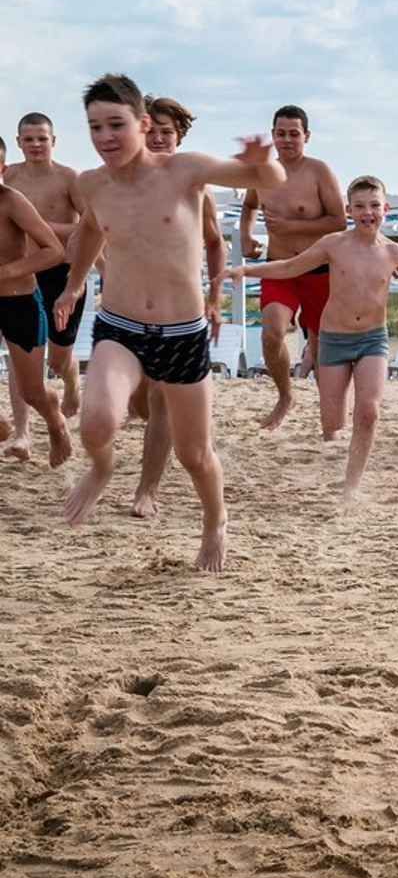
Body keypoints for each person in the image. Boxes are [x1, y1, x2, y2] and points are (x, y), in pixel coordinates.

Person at [53, 73, 285, 572]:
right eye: (95, 127)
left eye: (116, 125)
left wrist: (259, 163)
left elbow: (270, 182)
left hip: (182, 335)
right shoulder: (91, 183)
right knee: (96, 422)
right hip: (121, 327)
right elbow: (93, 228)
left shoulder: (185, 171)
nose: (105, 137)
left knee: (194, 453)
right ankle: (101, 469)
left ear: (140, 123)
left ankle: (215, 522)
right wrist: (75, 285)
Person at [231, 175, 398, 498]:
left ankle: (352, 485)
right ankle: (336, 455)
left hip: (372, 338)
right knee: (333, 424)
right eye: (359, 206)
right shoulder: (334, 244)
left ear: (385, 208)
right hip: (333, 340)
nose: (368, 212)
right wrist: (247, 270)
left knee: (368, 412)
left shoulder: (394, 252)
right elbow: (290, 267)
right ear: (348, 210)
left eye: (374, 206)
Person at [129, 96, 229, 519]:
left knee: (161, 396)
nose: (157, 140)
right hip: (130, 302)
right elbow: (90, 235)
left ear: (179, 137)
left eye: (166, 133)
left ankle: (146, 490)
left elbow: (214, 243)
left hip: (179, 303)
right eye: (150, 132)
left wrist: (214, 298)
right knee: (139, 400)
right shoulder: (117, 181)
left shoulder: (195, 186)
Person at [238, 105, 345, 430]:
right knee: (271, 333)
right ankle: (285, 395)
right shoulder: (263, 173)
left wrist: (289, 226)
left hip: (319, 269)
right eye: (281, 133)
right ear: (273, 136)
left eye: (294, 134)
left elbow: (338, 221)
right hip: (280, 267)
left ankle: (331, 415)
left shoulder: (319, 171)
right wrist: (245, 236)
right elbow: (250, 204)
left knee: (321, 346)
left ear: (306, 137)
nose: (287, 140)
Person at [5, 112, 87, 428]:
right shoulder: (9, 176)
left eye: (42, 138)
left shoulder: (69, 178)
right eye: (29, 139)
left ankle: (71, 382)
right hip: (23, 273)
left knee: (58, 359)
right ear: (18, 143)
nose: (36, 144)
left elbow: (92, 227)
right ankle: (22, 431)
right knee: (18, 349)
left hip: (61, 271)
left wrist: (41, 226)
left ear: (53, 141)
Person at [0, 133, 72, 467]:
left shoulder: (11, 201)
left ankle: (55, 421)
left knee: (32, 392)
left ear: (1, 168)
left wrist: (6, 272)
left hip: (19, 302)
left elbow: (53, 250)